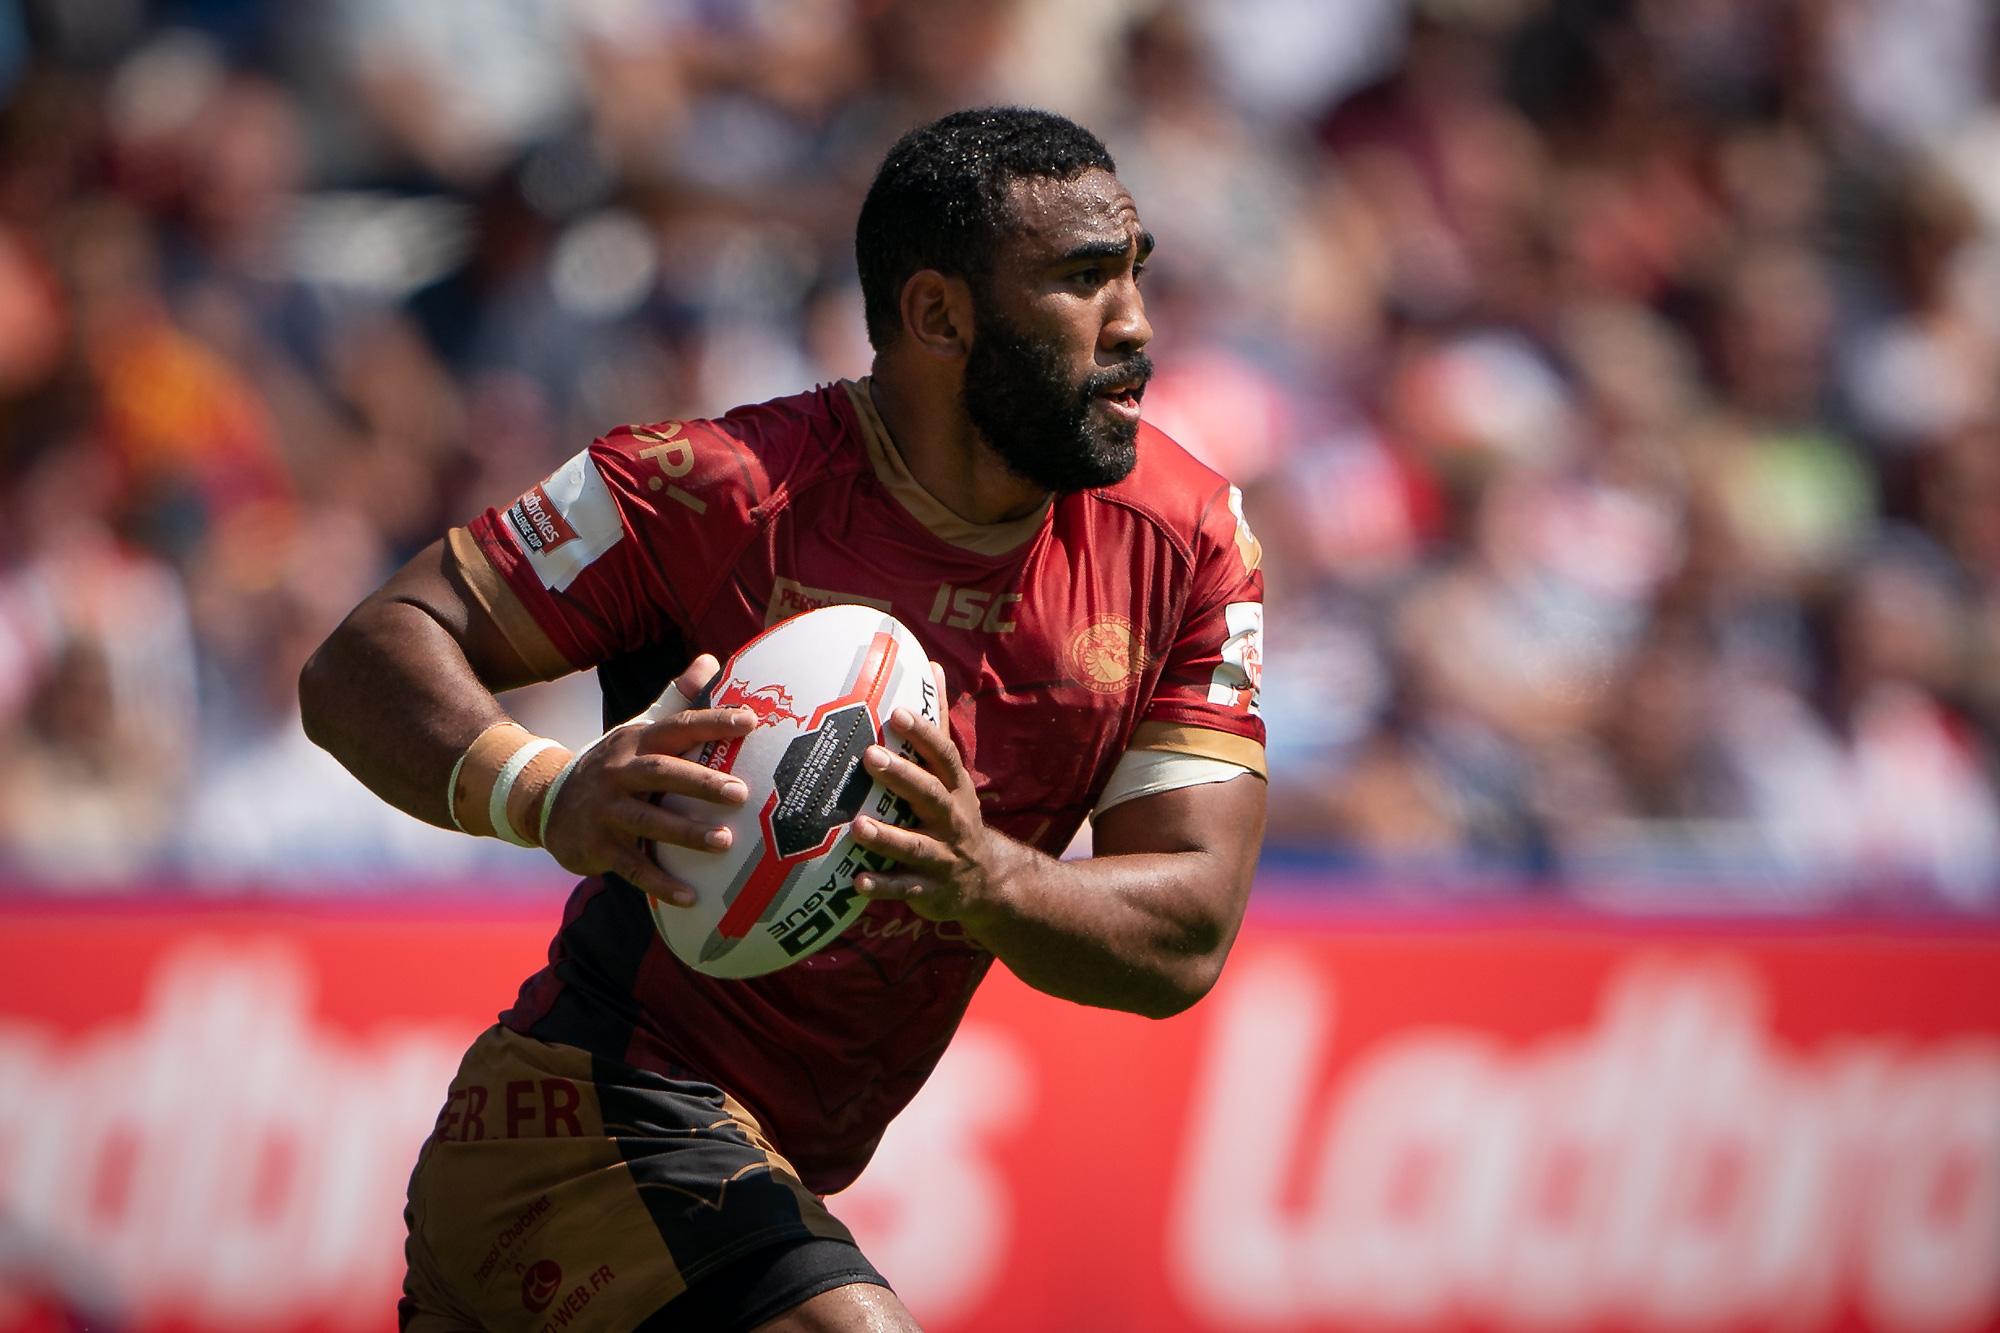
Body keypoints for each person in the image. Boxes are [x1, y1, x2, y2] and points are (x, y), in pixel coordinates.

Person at [300, 106, 1267, 1333]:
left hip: (746, 1181)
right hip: (580, 1117)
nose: (1133, 325)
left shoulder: (1188, 543)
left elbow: (1184, 933)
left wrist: (987, 880)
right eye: (1083, 281)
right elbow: (363, 658)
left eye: (1134, 273)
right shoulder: (707, 488)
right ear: (938, 316)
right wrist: (545, 791)